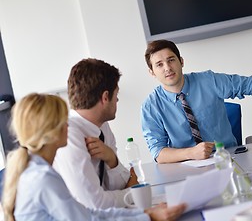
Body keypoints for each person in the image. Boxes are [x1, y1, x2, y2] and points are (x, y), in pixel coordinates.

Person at [1, 93, 186, 221]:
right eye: (63, 120)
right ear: (50, 131)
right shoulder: (42, 178)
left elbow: (88, 214)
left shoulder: (37, 170)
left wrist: (146, 214)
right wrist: (148, 217)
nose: (68, 125)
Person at [141, 39, 252, 164]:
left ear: (181, 61)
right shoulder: (151, 106)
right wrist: (191, 153)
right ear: (152, 72)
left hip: (229, 159)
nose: (167, 68)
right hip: (186, 167)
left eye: (171, 60)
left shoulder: (209, 81)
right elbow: (158, 153)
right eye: (159, 65)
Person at [53, 58, 136, 209]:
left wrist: (112, 159)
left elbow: (117, 186)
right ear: (105, 97)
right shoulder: (68, 134)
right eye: (116, 94)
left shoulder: (102, 126)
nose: (117, 99)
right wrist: (132, 193)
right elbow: (93, 204)